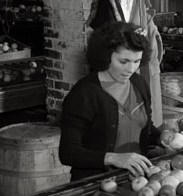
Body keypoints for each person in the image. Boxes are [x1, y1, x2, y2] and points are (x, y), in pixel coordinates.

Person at [59, 21, 164, 180]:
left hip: (136, 179)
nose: (131, 69)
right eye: (123, 61)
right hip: (95, 185)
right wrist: (113, 158)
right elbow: (68, 153)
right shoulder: (84, 94)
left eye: (136, 62)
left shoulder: (139, 84)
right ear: (106, 56)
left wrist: (162, 137)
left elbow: (145, 129)